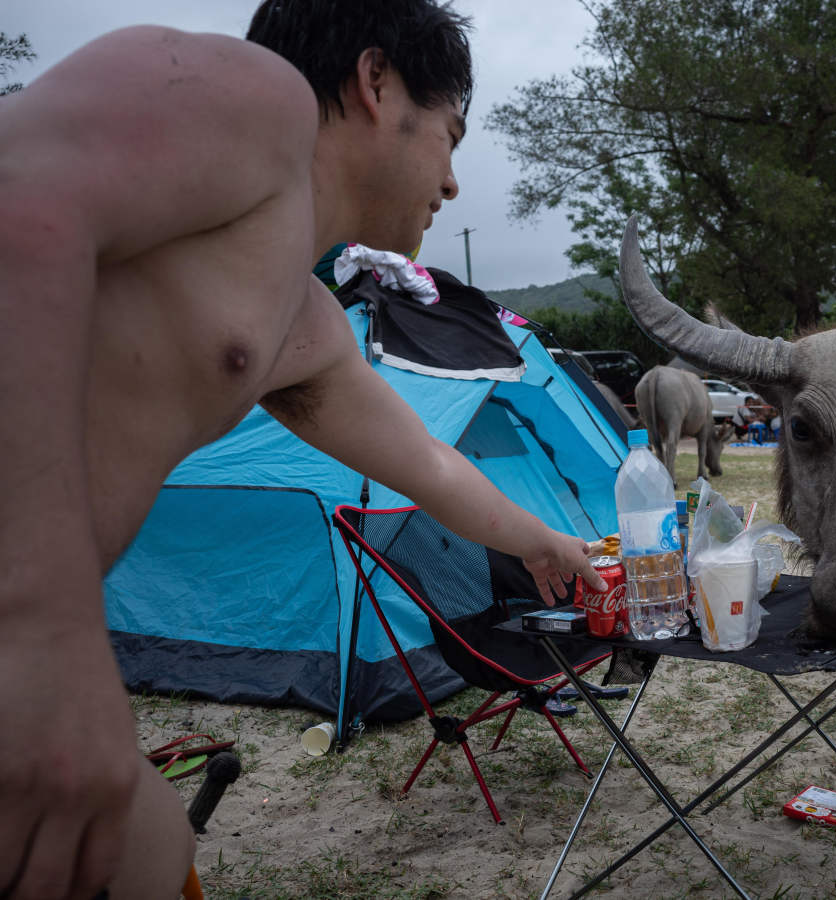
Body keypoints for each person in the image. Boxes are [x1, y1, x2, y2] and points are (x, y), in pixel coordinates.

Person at [0, 4, 605, 898]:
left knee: (142, 850)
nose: (450, 183)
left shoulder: (300, 319)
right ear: (375, 83)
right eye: (450, 136)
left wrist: (543, 542)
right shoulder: (254, 100)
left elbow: (428, 465)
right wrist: (44, 636)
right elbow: (18, 207)